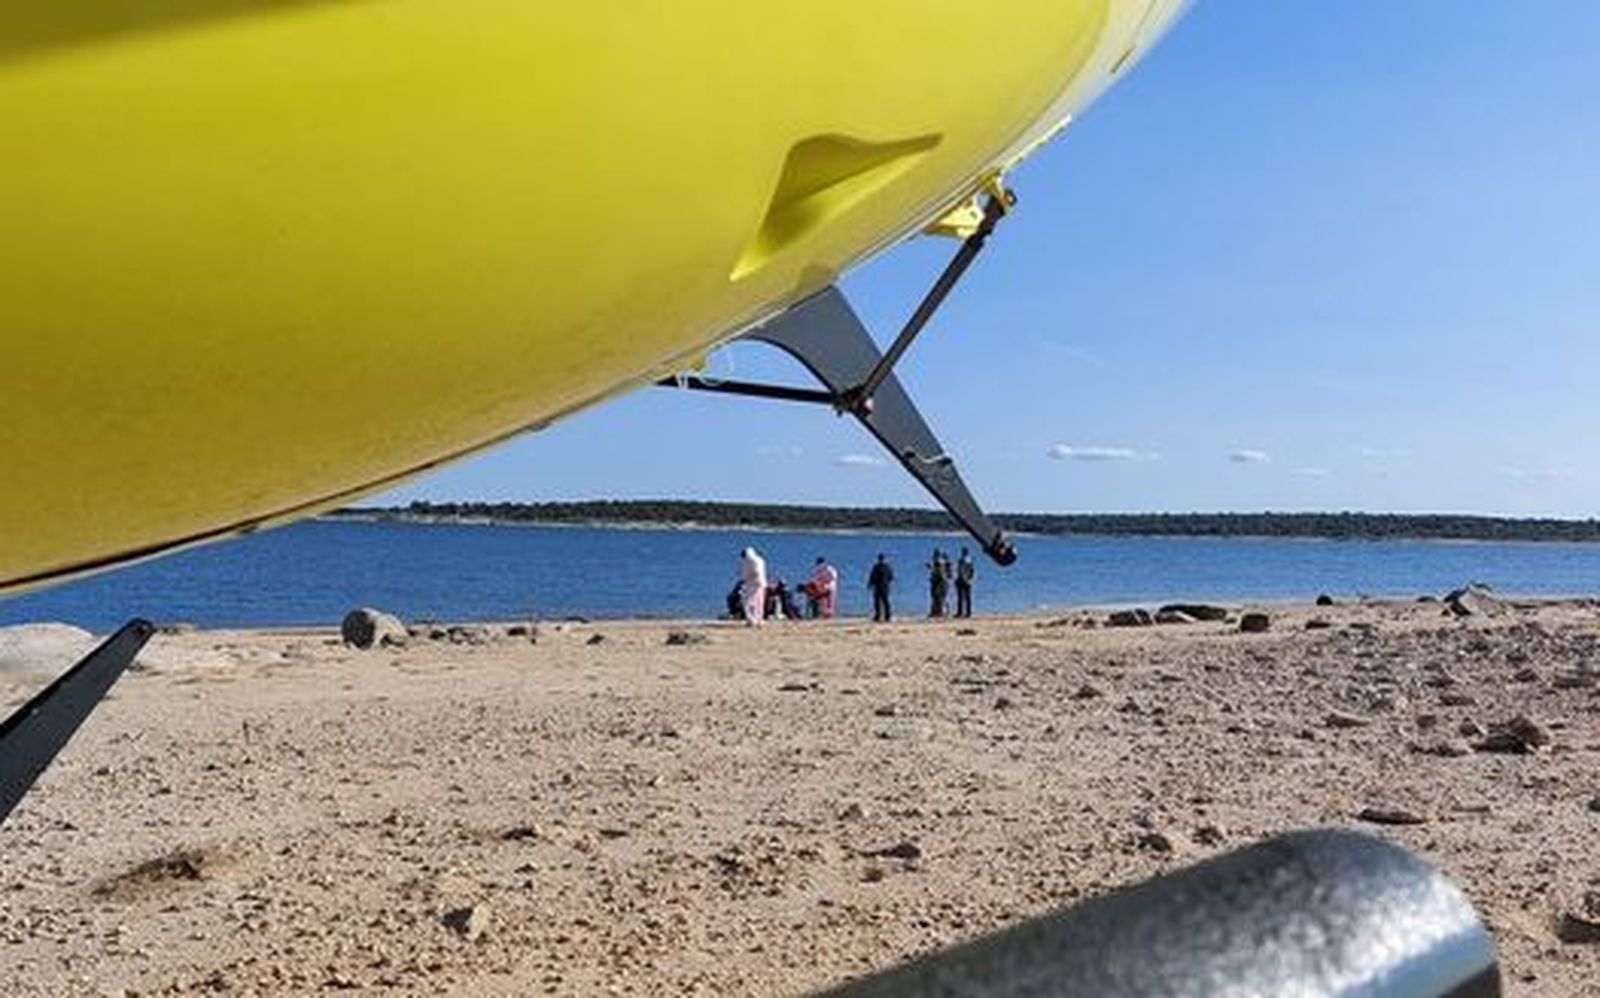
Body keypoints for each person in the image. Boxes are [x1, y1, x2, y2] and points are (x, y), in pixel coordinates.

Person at [739, 547, 767, 626]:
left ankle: (751, 619)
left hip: (752, 584)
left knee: (748, 601)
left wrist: (744, 578)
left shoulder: (749, 561)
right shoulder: (760, 560)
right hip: (761, 583)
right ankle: (759, 619)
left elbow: (750, 573)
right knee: (759, 601)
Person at [867, 553, 894, 622]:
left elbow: (872, 576)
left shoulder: (876, 567)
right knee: (885, 602)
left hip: (878, 587)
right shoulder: (887, 567)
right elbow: (891, 577)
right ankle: (887, 616)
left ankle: (878, 616)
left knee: (878, 602)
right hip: (885, 587)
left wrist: (870, 584)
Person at [927, 548, 950, 618]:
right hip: (940, 582)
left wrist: (934, 578)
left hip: (938, 582)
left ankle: (939, 612)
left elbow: (938, 573)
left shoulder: (938, 562)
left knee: (938, 597)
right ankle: (938, 611)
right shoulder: (941, 562)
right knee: (939, 597)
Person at [955, 546, 976, 618]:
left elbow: (959, 571)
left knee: (961, 597)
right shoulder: (970, 560)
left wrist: (959, 578)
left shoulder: (961, 560)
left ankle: (960, 612)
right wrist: (970, 579)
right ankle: (968, 612)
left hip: (962, 579)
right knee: (967, 597)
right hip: (967, 580)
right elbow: (972, 571)